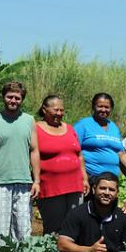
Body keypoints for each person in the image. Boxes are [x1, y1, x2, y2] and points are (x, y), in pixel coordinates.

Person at [0, 81, 40, 240]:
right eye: (10, 97)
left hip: (23, 181)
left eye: (17, 98)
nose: (13, 101)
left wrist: (36, 180)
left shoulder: (29, 121)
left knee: (23, 230)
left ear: (22, 99)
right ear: (4, 98)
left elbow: (34, 150)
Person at [36, 95, 89, 235]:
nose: (59, 113)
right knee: (53, 229)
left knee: (73, 226)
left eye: (61, 110)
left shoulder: (69, 128)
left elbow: (79, 154)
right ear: (44, 109)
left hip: (75, 186)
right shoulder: (35, 129)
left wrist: (84, 178)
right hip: (51, 188)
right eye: (55, 110)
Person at [58, 172, 126, 252]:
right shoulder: (77, 213)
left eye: (111, 190)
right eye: (103, 188)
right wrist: (89, 250)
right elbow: (62, 244)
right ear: (94, 189)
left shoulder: (124, 217)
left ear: (117, 193)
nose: (107, 193)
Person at [74, 92, 126, 185]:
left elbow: (121, 154)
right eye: (100, 106)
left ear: (111, 108)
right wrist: (83, 177)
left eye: (107, 107)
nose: (103, 110)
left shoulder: (113, 127)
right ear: (93, 107)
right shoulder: (83, 125)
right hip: (90, 178)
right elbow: (74, 151)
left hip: (111, 180)